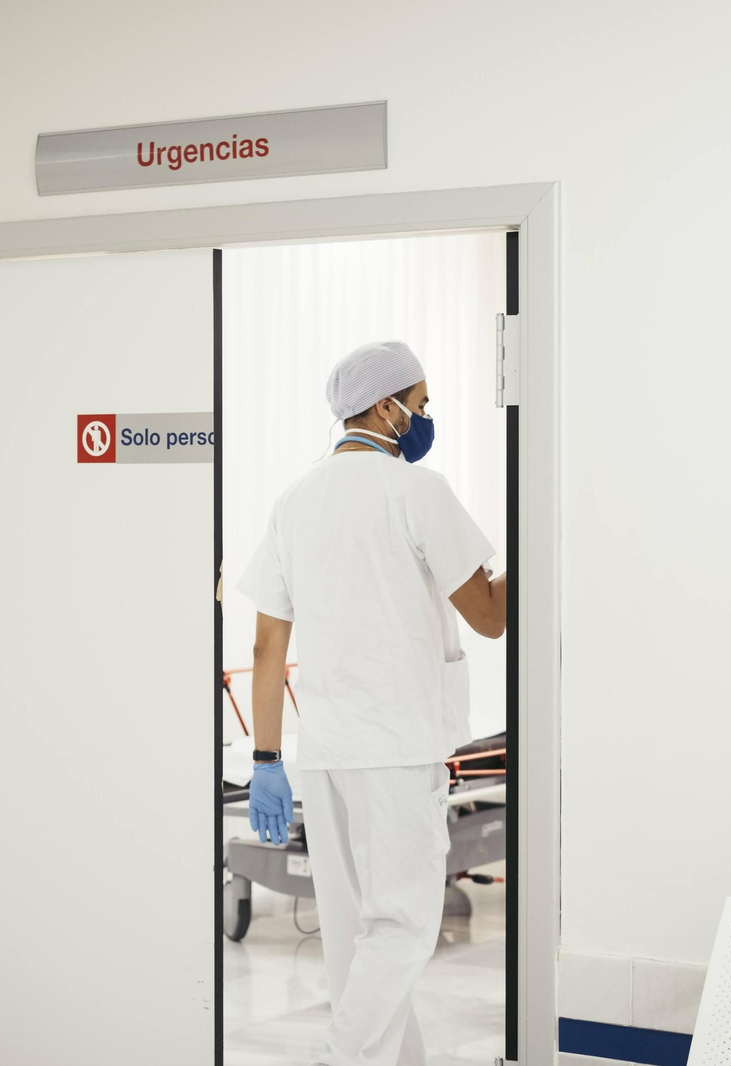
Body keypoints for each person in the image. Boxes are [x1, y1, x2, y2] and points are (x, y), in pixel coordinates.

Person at [235, 339, 508, 1066]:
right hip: (396, 749)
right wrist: (531, 549)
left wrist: (266, 758)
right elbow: (489, 615)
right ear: (387, 408)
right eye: (420, 404)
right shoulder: (416, 492)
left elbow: (267, 647)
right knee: (403, 931)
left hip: (325, 753)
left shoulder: (294, 502)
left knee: (356, 941)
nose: (425, 417)